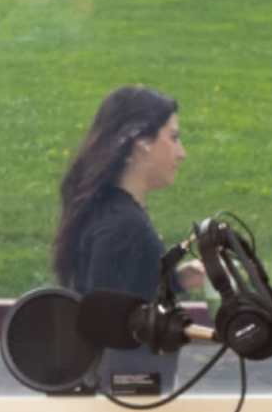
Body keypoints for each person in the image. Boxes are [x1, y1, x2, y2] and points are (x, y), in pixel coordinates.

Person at [50, 86, 212, 320]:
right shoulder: (125, 227)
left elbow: (127, 293)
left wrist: (175, 280)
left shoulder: (105, 209)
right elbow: (108, 324)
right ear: (142, 142)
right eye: (174, 138)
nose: (181, 153)